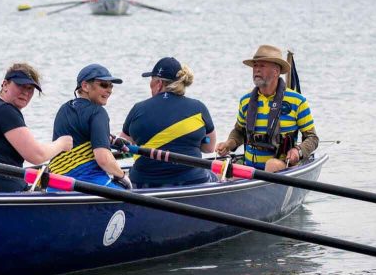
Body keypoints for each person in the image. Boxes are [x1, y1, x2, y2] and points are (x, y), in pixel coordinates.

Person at [0, 64, 73, 192]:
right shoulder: (4, 110)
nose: (26, 92)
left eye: (30, 88)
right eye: (20, 85)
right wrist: (61, 143)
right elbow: (37, 155)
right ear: (5, 85)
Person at [215, 44, 318, 173]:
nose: (256, 70)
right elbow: (239, 132)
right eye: (255, 66)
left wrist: (298, 151)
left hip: (280, 166)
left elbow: (312, 138)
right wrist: (228, 144)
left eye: (262, 66)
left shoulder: (297, 101)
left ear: (276, 71)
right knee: (219, 167)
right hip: (249, 168)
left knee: (271, 165)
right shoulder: (246, 101)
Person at [116, 57, 216, 188]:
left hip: (142, 183)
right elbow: (209, 149)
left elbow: (122, 146)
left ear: (158, 84)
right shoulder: (199, 108)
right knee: (218, 175)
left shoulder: (138, 109)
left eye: (151, 80)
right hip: (193, 180)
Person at [49, 64, 131, 188]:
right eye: (103, 85)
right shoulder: (98, 112)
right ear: (85, 86)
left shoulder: (64, 109)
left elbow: (80, 136)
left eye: (111, 86)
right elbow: (103, 159)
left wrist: (110, 140)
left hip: (56, 185)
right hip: (90, 184)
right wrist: (123, 177)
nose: (109, 90)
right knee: (127, 188)